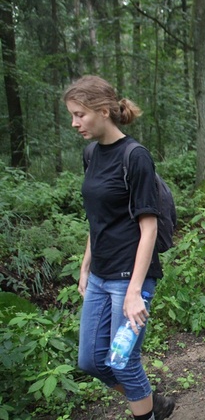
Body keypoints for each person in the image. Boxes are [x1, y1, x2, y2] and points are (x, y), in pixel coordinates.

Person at [65, 75, 175, 420]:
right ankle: (151, 401)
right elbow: (97, 218)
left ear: (103, 111)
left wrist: (134, 291)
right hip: (100, 275)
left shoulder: (135, 156)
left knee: (122, 360)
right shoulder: (90, 154)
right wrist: (85, 267)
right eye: (72, 115)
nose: (74, 123)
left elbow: (149, 226)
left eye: (79, 114)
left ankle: (147, 413)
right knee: (91, 362)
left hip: (130, 278)